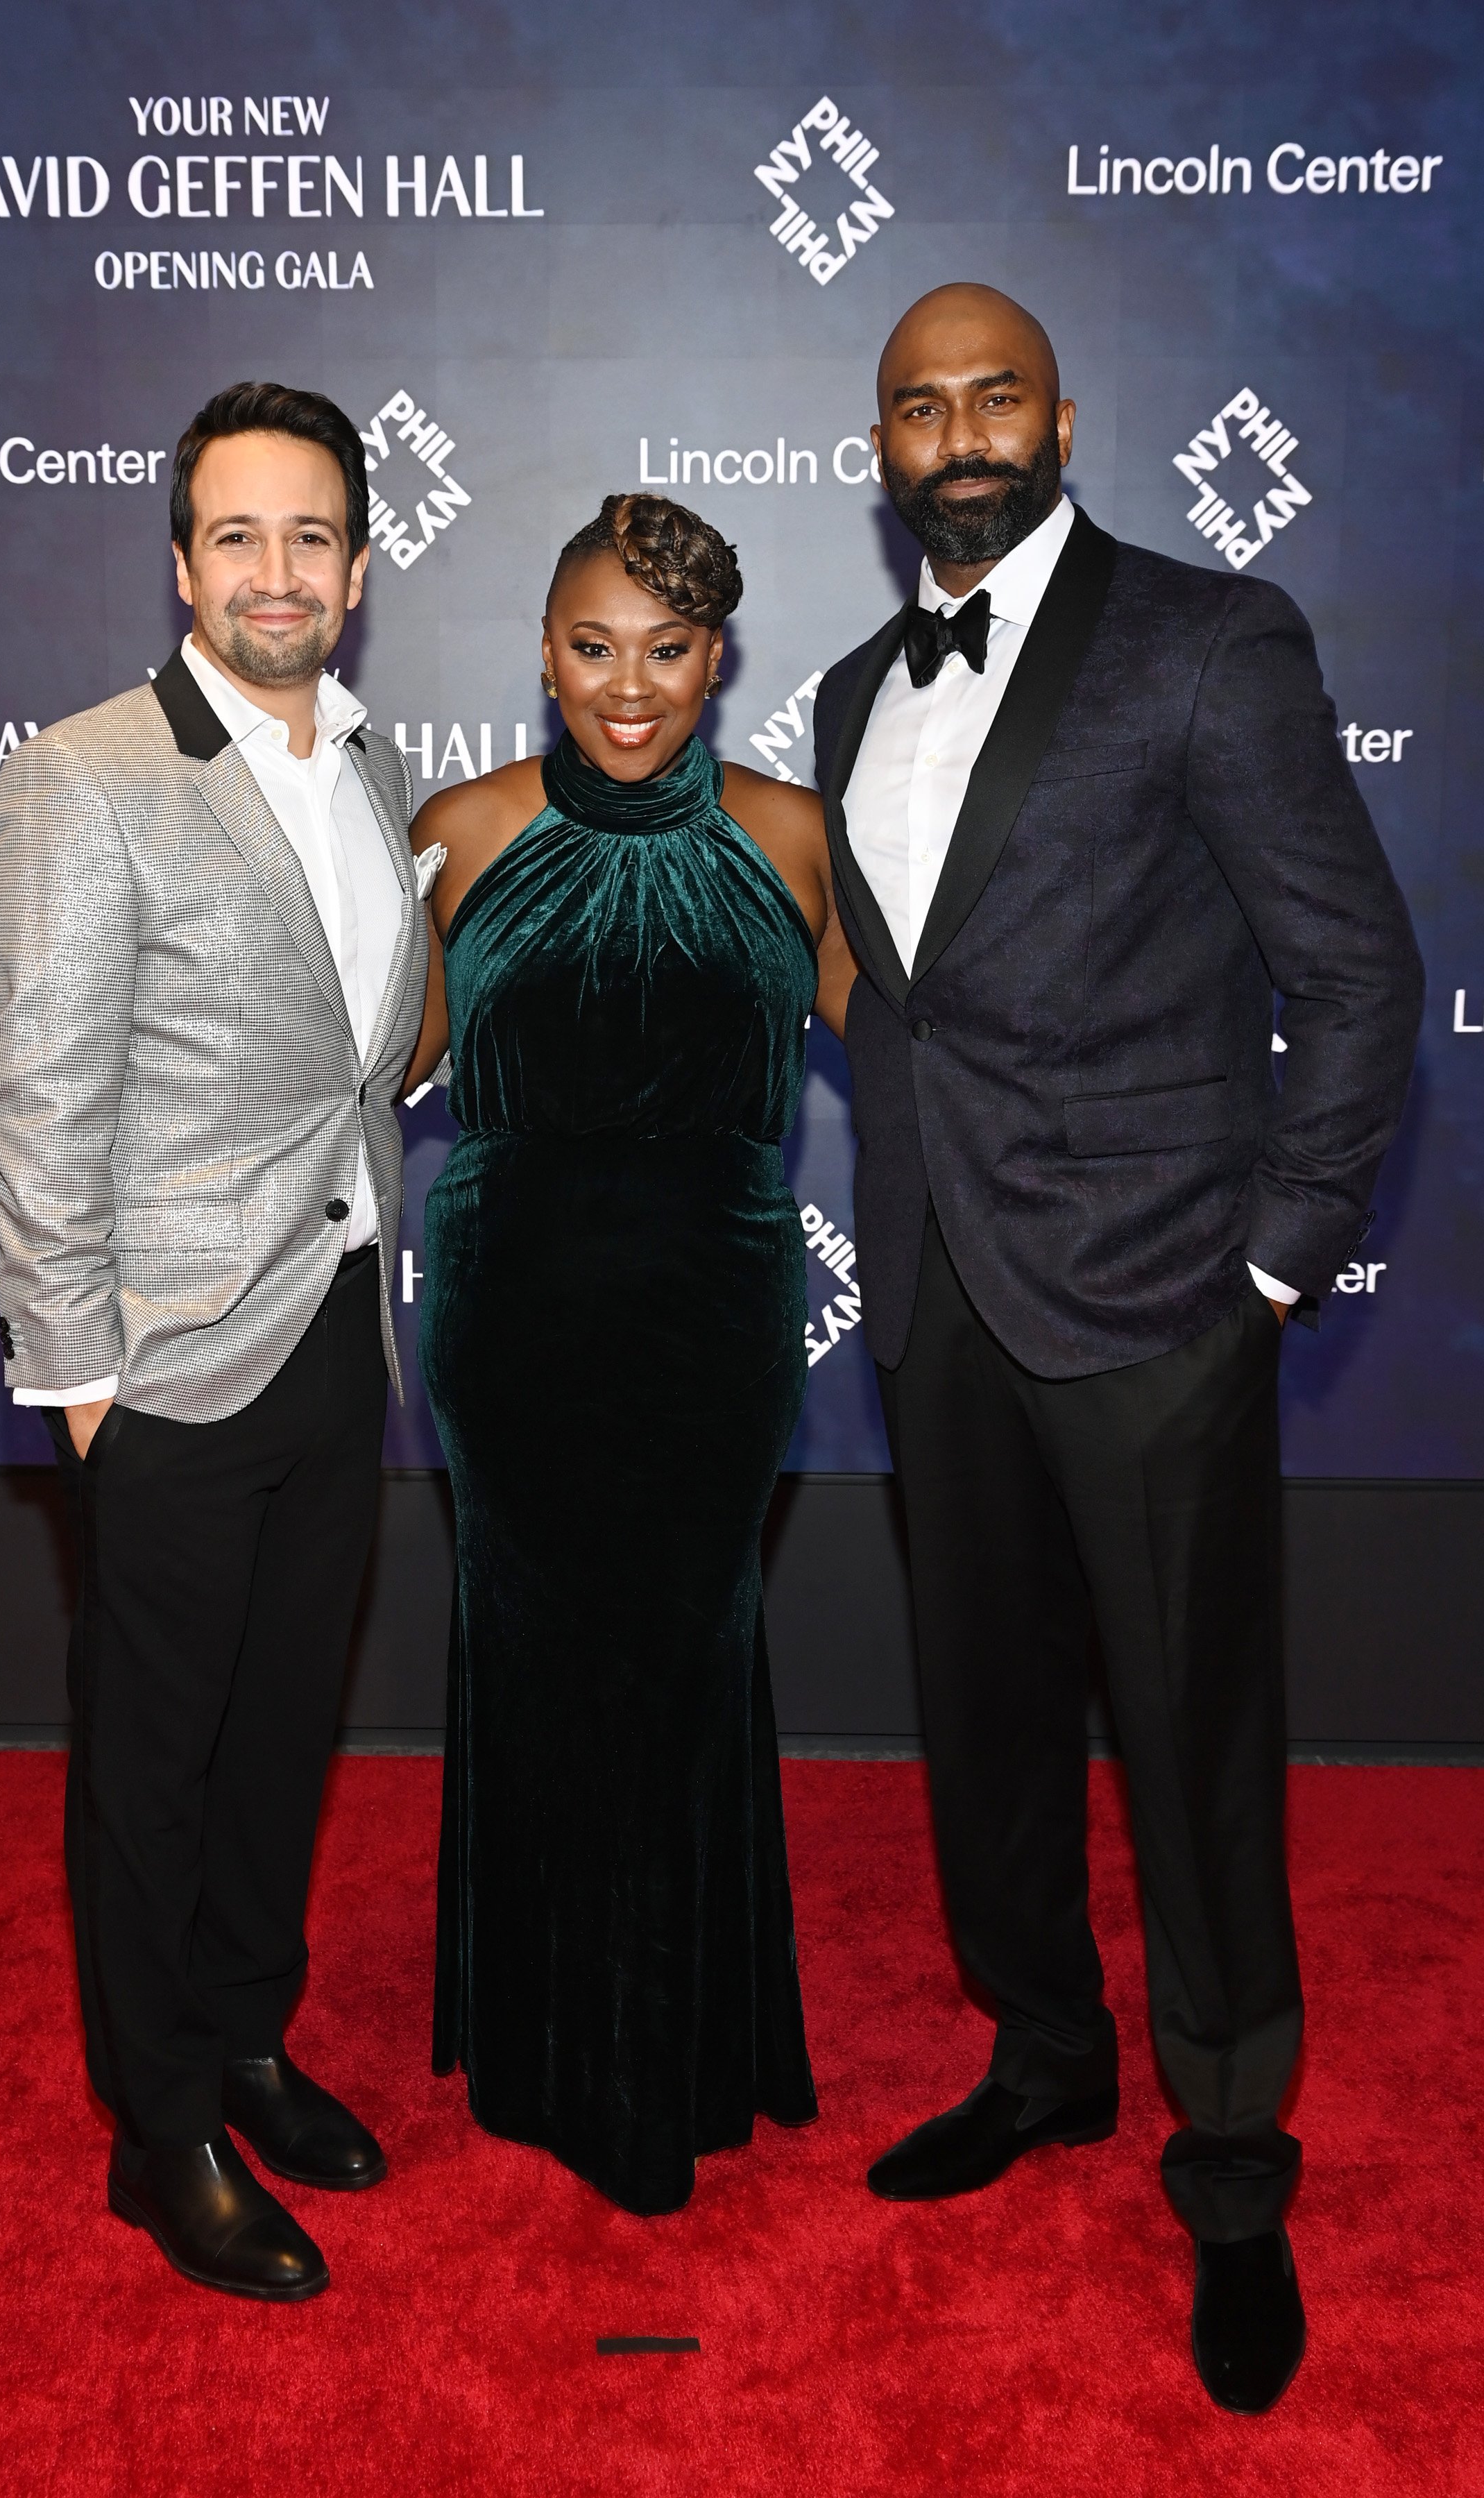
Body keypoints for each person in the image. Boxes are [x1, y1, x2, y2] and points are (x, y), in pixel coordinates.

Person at [813, 286, 1423, 2410]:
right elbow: (902, 996)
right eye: (919, 405)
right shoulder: (843, 688)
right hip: (937, 1293)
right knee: (987, 1721)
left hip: (1162, 1292)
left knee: (1192, 1744)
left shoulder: (1204, 643)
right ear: (878, 446)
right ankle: (1046, 2053)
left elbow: (1356, 975)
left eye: (995, 396)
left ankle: (1235, 2160)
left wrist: (1272, 1266)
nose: (959, 432)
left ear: (1062, 419)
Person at [0, 382, 432, 2301]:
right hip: (162, 1365)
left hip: (336, 1328)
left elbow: (356, 1066)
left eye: (312, 536)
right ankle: (157, 2129)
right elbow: (40, 1093)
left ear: (356, 567)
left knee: (275, 1734)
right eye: (237, 536)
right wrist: (81, 1378)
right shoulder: (87, 773)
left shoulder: (373, 765)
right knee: (151, 1760)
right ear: (182, 565)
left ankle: (248, 2037)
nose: (277, 571)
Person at [404, 493, 855, 2215]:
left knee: (681, 1660)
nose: (628, 688)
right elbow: (381, 1059)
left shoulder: (797, 838)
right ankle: (538, 2050)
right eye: (592, 648)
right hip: (512, 1324)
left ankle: (680, 2055)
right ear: (539, 650)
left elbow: (923, 1054)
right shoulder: (465, 828)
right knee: (528, 1655)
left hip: (717, 1325)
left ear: (717, 660)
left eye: (665, 652)